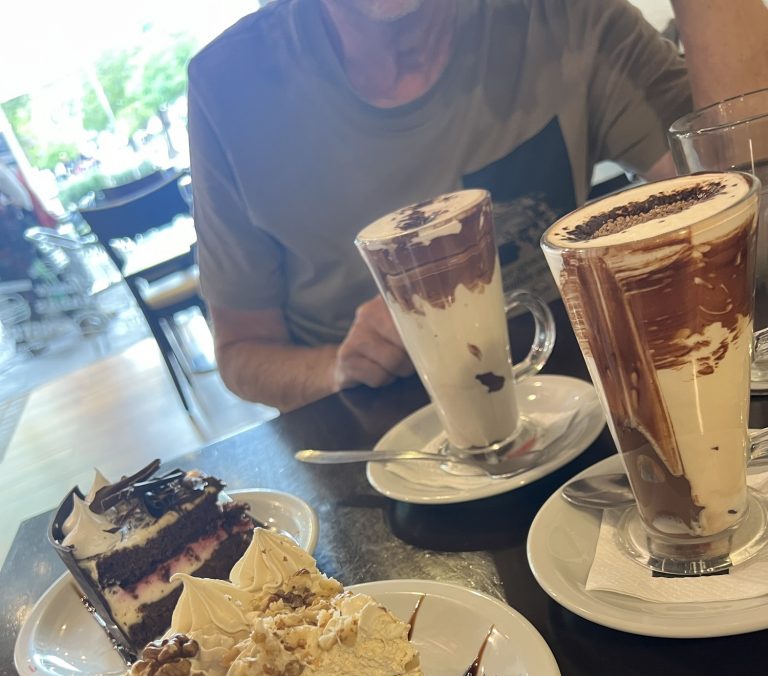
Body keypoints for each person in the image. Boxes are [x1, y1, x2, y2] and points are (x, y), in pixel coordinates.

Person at [188, 0, 768, 412]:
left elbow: (750, 228)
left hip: (578, 409)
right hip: (373, 443)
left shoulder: (565, 18)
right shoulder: (229, 85)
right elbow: (240, 353)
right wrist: (340, 367)